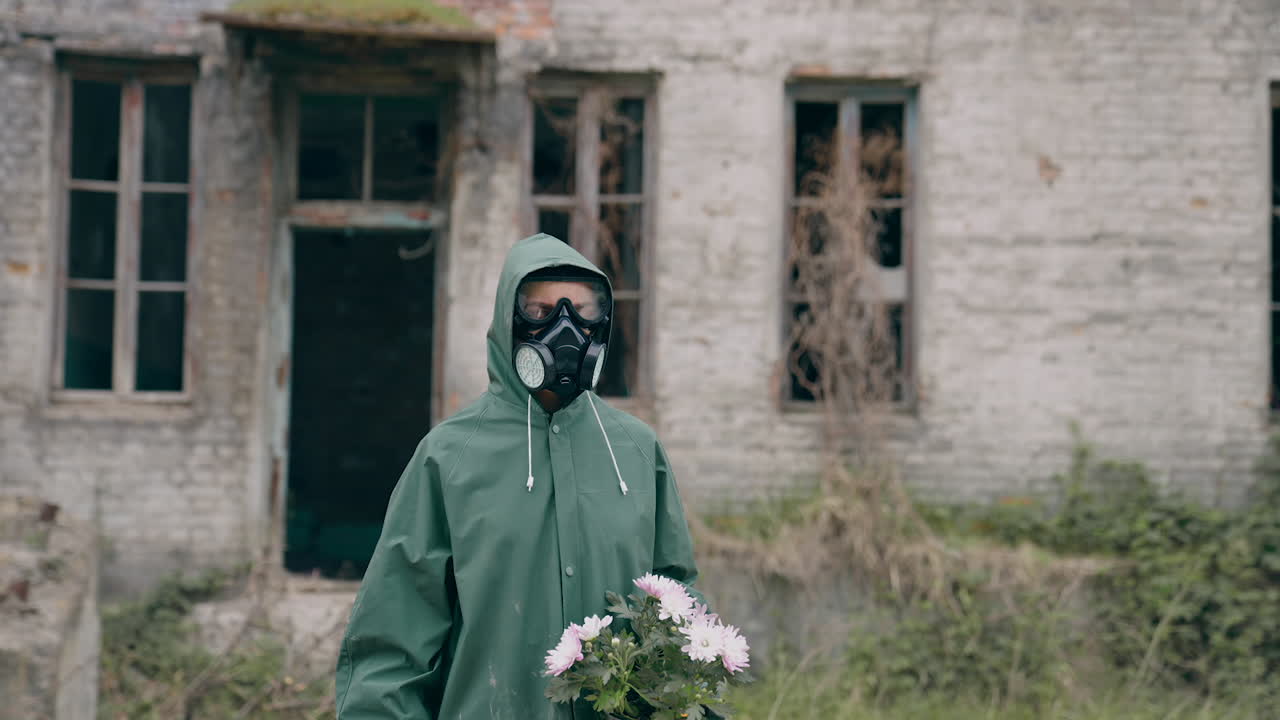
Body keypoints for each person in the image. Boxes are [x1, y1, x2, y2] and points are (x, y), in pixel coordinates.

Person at [334, 233, 703, 719]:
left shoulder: (636, 450)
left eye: (583, 310)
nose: (565, 328)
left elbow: (680, 607)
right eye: (539, 310)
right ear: (508, 320)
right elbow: (393, 643)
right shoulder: (449, 457)